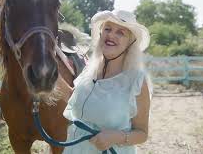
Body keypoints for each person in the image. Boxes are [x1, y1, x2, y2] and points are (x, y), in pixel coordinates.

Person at [57, 9, 153, 154]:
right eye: (107, 29)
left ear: (130, 42)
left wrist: (117, 137)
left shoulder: (137, 81)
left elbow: (142, 133)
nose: (111, 35)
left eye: (120, 32)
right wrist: (53, 75)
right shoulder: (89, 70)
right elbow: (74, 99)